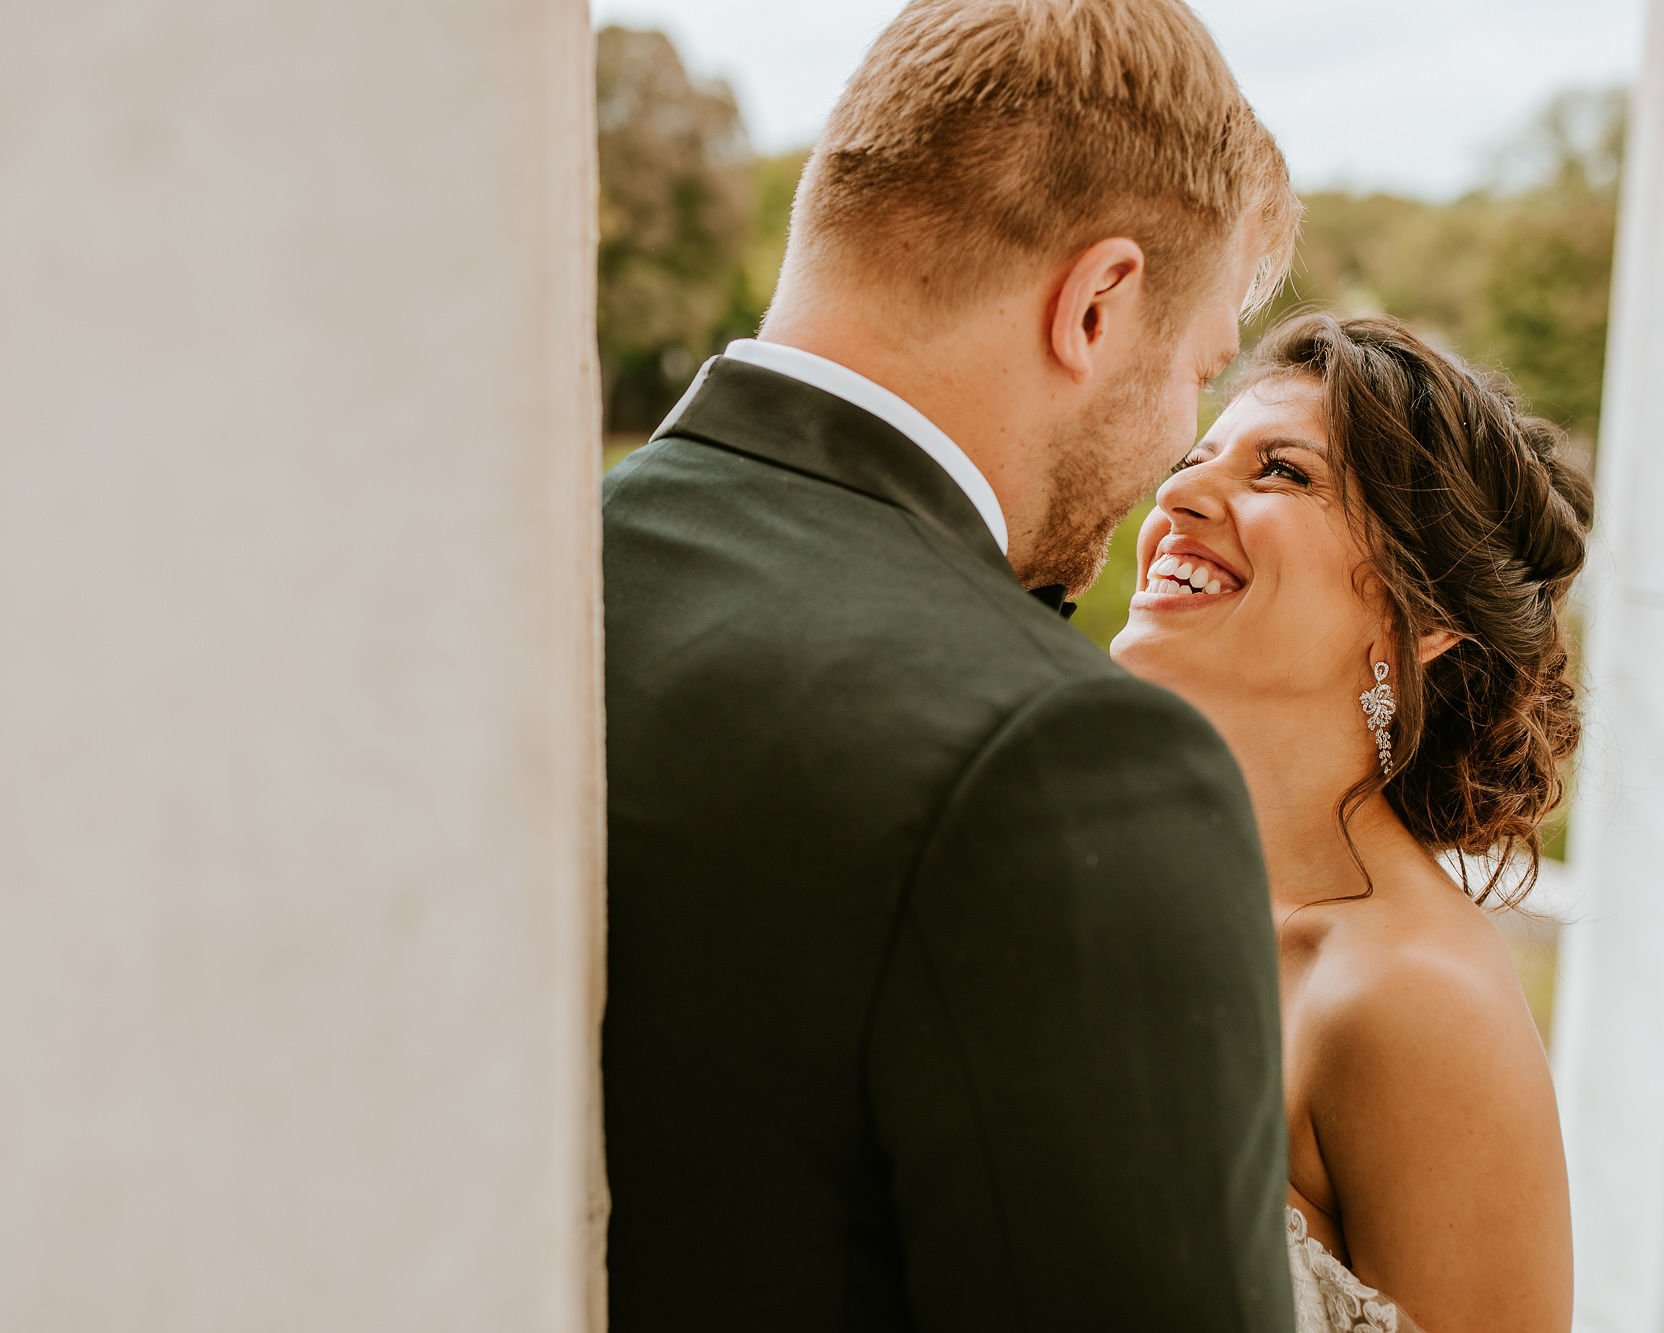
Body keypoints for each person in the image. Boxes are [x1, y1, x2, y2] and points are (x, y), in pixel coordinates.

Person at [599, 0, 1302, 1325]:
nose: (1179, 442)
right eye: (1198, 372)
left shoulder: (538, 577)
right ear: (1099, 303)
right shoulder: (1061, 763)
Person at [1113, 311, 1590, 1332]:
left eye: (1278, 472)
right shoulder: (1115, 875)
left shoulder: (1413, 995)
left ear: (1419, 621)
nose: (1177, 493)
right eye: (1197, 458)